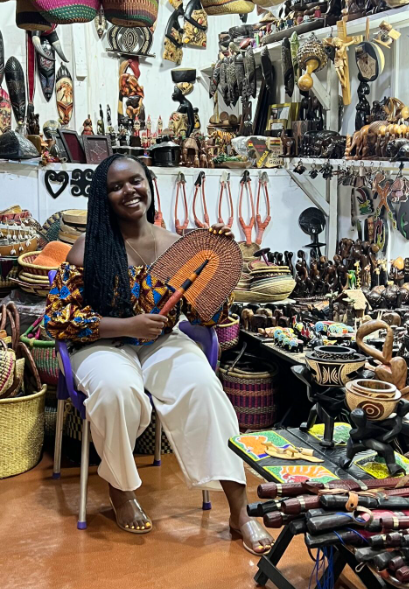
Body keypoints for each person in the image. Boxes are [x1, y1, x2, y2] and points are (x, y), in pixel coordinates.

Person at [44, 155, 273, 554]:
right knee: (117, 391)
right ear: (103, 197)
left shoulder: (178, 246)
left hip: (162, 343)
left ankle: (239, 512)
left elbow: (209, 315)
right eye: (116, 187)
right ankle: (120, 487)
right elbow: (60, 319)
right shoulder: (88, 248)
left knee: (204, 388)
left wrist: (215, 259)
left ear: (149, 182)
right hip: (101, 344)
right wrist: (126, 326)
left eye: (135, 181)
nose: (128, 191)